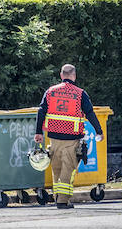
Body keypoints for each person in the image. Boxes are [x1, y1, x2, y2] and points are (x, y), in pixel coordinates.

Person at [35, 64, 104, 208]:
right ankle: (62, 201)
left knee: (56, 169)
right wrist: (99, 131)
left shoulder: (50, 91)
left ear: (61, 75)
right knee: (68, 169)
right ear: (74, 76)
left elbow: (41, 111)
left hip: (53, 137)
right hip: (71, 138)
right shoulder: (80, 93)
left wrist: (38, 132)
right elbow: (90, 113)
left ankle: (57, 197)